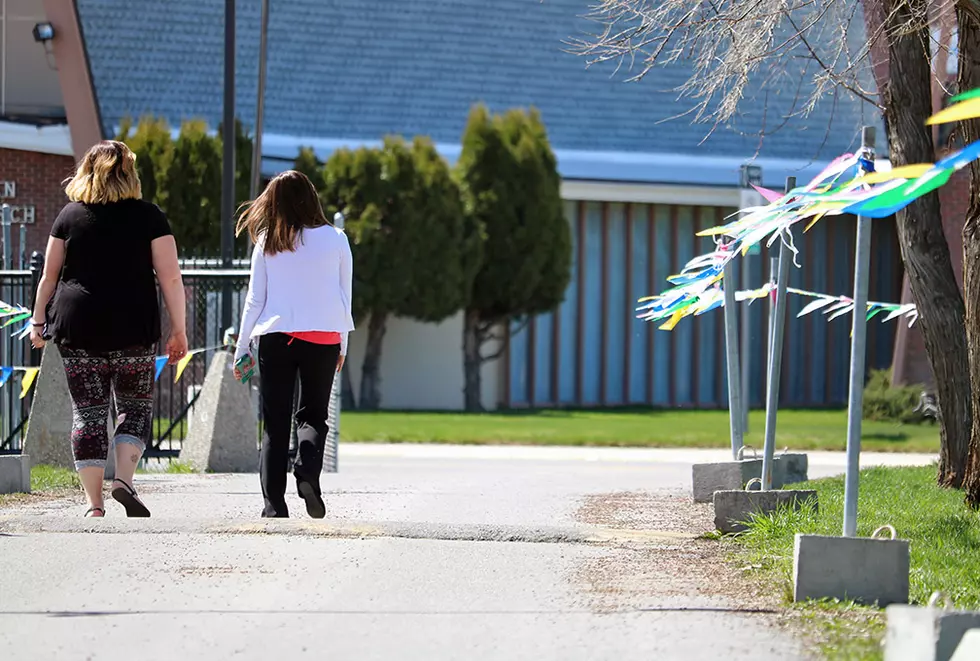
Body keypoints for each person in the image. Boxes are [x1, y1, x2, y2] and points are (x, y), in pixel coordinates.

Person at [30, 140, 187, 518]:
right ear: (129, 174)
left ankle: (94, 504)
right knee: (133, 407)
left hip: (78, 325)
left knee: (88, 411)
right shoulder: (150, 216)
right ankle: (124, 481)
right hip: (134, 323)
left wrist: (38, 321)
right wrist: (179, 329)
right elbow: (170, 278)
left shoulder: (69, 216)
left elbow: (49, 277)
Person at [234, 170, 353, 519]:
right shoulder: (337, 239)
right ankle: (307, 472)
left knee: (275, 421)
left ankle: (273, 505)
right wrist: (342, 345)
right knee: (314, 415)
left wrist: (242, 346)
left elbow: (255, 299)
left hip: (276, 337)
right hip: (324, 338)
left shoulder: (268, 241)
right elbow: (344, 297)